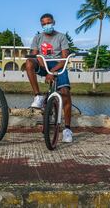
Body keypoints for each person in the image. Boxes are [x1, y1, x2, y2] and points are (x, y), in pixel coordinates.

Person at [25, 13, 73, 143]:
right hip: (43, 64)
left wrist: (52, 71)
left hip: (58, 64)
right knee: (29, 62)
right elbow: (34, 56)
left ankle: (67, 130)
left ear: (54, 22)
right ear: (41, 25)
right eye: (44, 24)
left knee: (65, 94)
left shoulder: (61, 37)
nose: (47, 25)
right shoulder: (38, 38)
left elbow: (64, 59)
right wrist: (44, 68)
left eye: (49, 22)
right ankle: (38, 96)